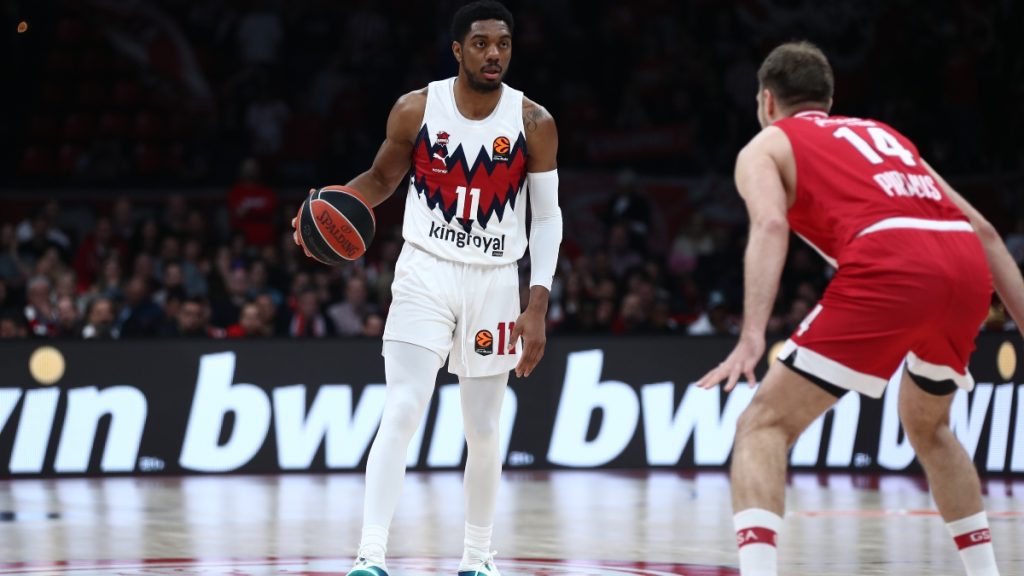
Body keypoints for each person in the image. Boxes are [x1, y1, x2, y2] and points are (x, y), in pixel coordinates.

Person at [696, 41, 1024, 576]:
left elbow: (771, 224)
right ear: (827, 100)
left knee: (762, 424)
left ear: (767, 101)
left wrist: (752, 335)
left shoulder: (766, 145)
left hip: (892, 264)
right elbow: (984, 230)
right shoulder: (885, 135)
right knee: (929, 426)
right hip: (964, 268)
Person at [292, 2, 561, 574]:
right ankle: (370, 554)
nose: (494, 53)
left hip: (495, 281)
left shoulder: (534, 122)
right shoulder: (416, 108)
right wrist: (328, 209)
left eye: (504, 43)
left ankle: (477, 558)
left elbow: (546, 217)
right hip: (425, 272)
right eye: (482, 43)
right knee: (403, 407)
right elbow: (381, 178)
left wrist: (537, 303)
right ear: (458, 50)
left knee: (482, 428)